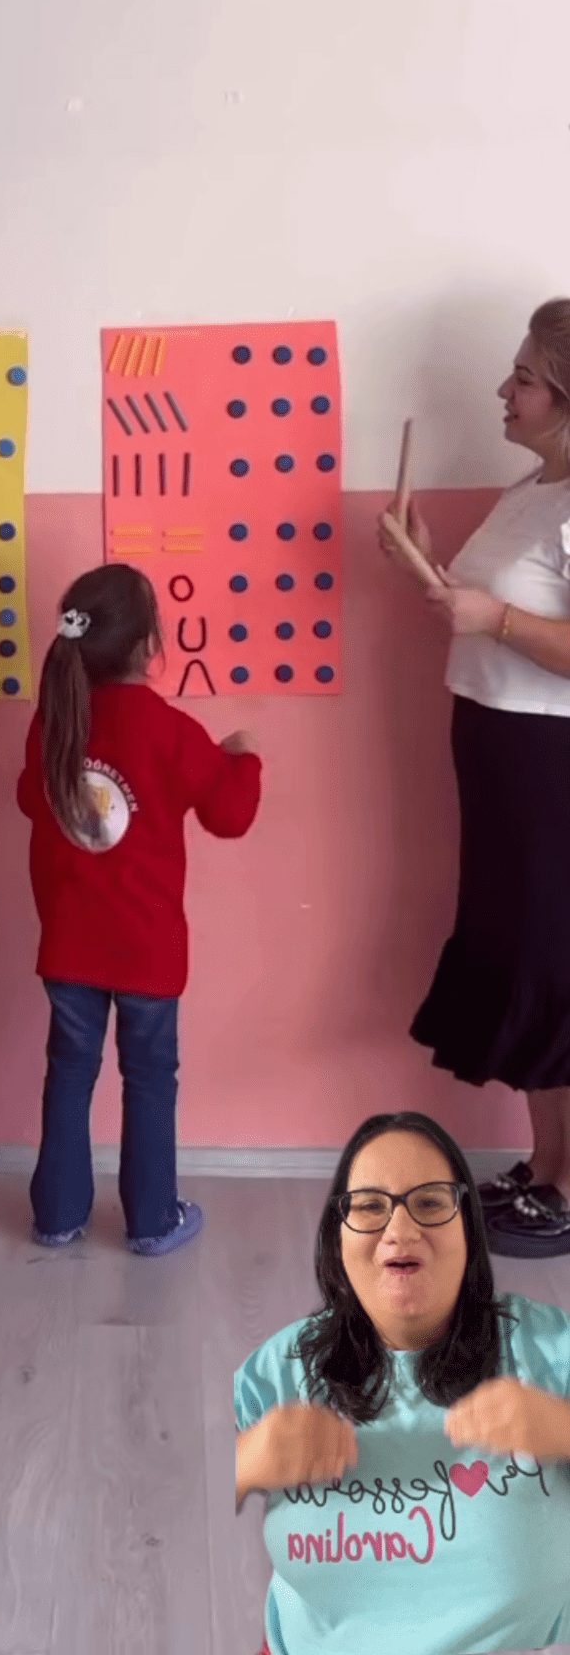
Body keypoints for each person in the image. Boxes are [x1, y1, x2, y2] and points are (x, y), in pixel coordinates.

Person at [235, 1111, 570, 1655]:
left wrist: (565, 1428)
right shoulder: (278, 1368)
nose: (400, 1229)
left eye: (430, 1203)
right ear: (337, 1237)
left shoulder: (549, 1349)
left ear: (469, 1230)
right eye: (370, 1206)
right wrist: (246, 1460)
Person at [379, 301, 570, 1255]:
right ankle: (545, 1168)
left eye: (524, 377)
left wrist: (492, 618)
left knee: (556, 965)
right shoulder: (533, 488)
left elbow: (510, 623)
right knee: (529, 959)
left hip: (551, 765)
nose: (504, 389)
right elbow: (485, 612)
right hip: (500, 750)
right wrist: (421, 560)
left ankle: (567, 1187)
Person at [17, 564, 262, 1255]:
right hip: (148, 949)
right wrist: (245, 759)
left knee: (69, 1073)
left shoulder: (55, 721)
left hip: (69, 943)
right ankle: (153, 1220)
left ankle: (56, 1216)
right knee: (149, 1079)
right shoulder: (169, 729)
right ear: (146, 643)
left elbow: (30, 799)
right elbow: (231, 815)